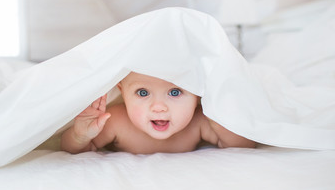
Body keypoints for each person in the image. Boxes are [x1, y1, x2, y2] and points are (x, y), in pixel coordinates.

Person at [61, 72, 256, 154]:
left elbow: (241, 145)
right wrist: (80, 136)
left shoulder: (199, 121)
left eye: (175, 92)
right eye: (143, 93)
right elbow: (74, 151)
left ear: (197, 95)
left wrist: (219, 118)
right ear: (123, 92)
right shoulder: (115, 120)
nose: (159, 107)